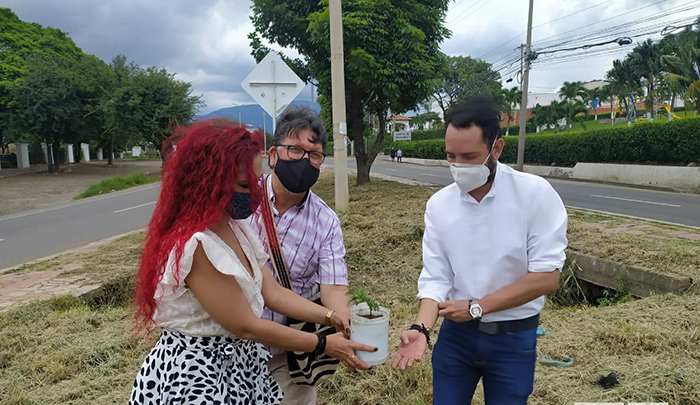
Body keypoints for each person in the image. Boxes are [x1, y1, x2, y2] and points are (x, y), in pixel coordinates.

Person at [130, 121, 375, 405]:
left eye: (257, 182)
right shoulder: (198, 245)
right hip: (200, 378)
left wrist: (333, 317)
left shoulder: (235, 225)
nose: (256, 194)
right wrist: (323, 343)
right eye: (246, 185)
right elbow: (246, 325)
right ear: (211, 182)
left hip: (239, 369)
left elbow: (272, 293)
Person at [392, 96, 567, 405]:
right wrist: (420, 327)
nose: (458, 166)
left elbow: (545, 277)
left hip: (514, 337)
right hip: (457, 338)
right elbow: (436, 278)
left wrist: (477, 307)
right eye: (451, 156)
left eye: (469, 156)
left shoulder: (534, 195)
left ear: (496, 149)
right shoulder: (439, 205)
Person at [249, 106, 351, 405]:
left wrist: (344, 321)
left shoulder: (326, 221)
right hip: (232, 350)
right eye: (294, 149)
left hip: (291, 358)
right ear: (273, 154)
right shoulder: (243, 201)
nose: (304, 160)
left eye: (314, 154)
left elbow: (333, 286)